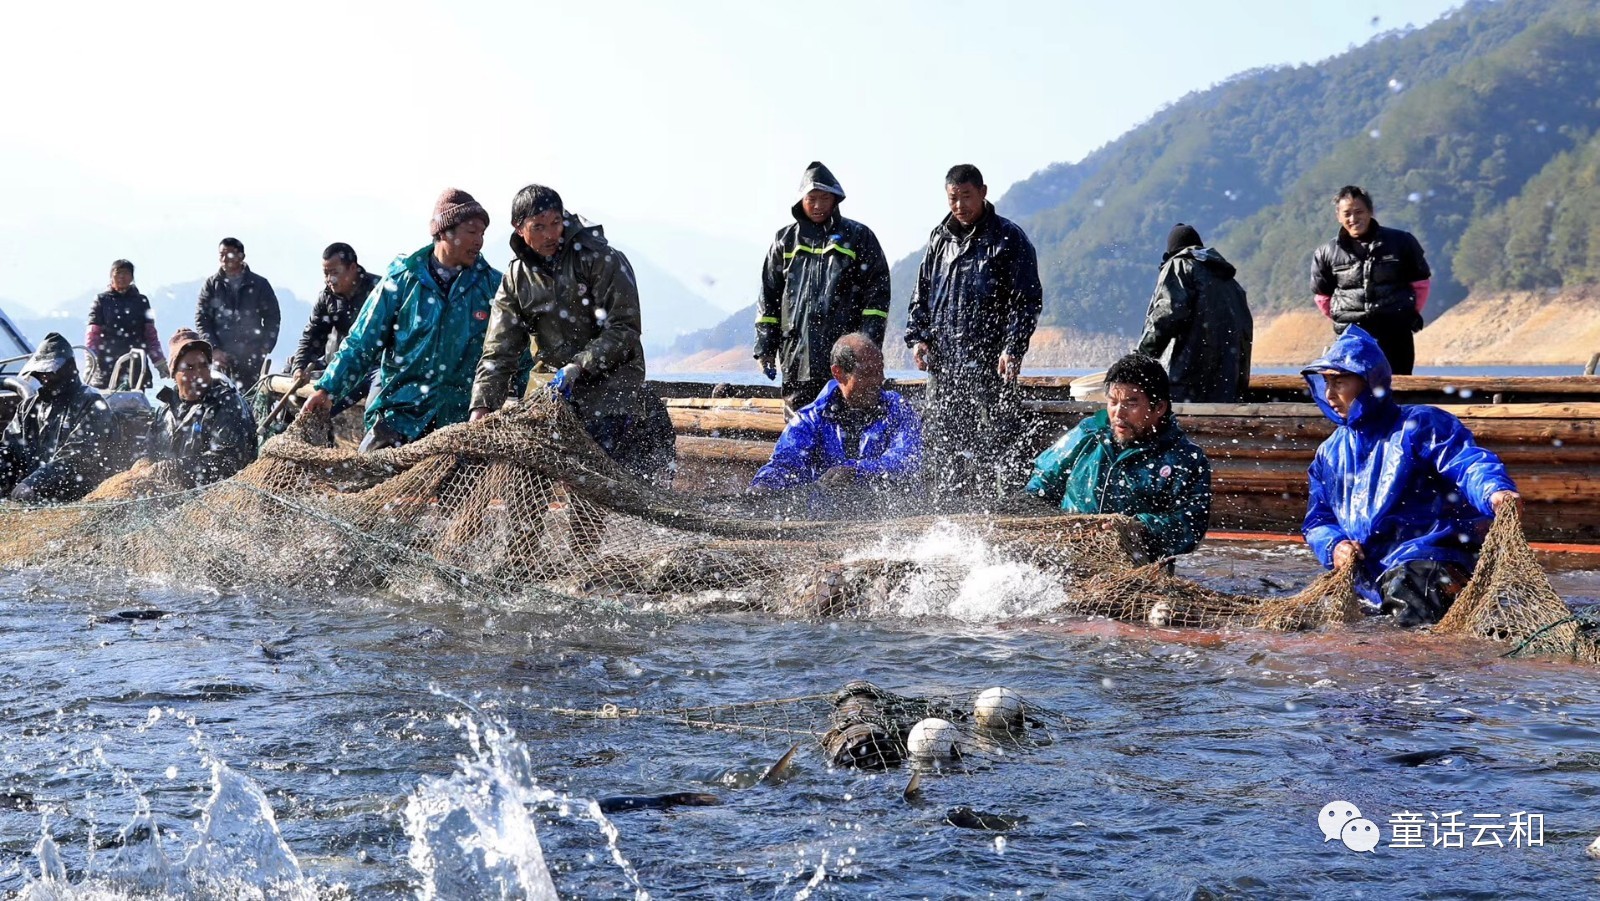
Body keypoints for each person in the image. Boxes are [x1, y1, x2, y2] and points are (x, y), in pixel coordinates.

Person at [1302, 325, 1519, 626]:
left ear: (1368, 381)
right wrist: (1334, 546)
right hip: (1370, 576)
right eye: (1325, 383)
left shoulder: (1421, 424)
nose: (1329, 394)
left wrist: (1494, 490)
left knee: (1408, 604)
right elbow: (1319, 520)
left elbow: (1466, 462)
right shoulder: (1329, 452)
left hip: (1431, 560)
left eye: (1339, 382)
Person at [470, 184, 674, 484]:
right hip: (549, 392)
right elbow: (498, 352)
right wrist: (482, 406)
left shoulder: (599, 258)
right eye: (538, 227)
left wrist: (580, 365)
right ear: (519, 229)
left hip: (610, 391)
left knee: (591, 491)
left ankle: (583, 530)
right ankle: (523, 531)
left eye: (555, 223)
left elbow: (624, 328)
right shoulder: (515, 278)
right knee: (524, 485)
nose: (550, 234)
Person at [302, 188, 523, 451]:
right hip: (400, 416)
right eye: (471, 232)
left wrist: (525, 399)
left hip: (462, 423)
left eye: (483, 234)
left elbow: (514, 350)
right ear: (443, 232)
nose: (479, 241)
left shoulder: (493, 286)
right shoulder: (402, 281)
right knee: (368, 485)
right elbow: (362, 342)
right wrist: (327, 389)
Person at [904, 164, 1043, 495]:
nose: (960, 205)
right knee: (942, 441)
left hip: (989, 363)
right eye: (953, 198)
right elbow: (921, 293)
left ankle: (998, 511)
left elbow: (1026, 301)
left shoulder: (1009, 238)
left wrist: (1013, 347)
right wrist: (918, 337)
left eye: (966, 196)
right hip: (945, 364)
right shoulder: (939, 238)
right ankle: (947, 511)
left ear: (983, 192)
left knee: (994, 439)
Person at [1025, 353, 1211, 559]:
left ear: (1159, 407)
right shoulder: (1088, 434)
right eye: (1113, 402)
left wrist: (1137, 529)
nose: (1119, 413)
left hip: (1135, 566)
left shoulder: (1184, 458)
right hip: (1069, 554)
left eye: (1131, 404)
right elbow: (1041, 484)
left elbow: (1190, 523)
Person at [753, 161, 892, 411]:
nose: (817, 206)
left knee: (844, 430)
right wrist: (764, 348)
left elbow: (877, 298)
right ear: (801, 201)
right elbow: (769, 298)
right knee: (799, 429)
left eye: (824, 198)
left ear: (835, 199)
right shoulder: (784, 241)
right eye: (811, 199)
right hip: (797, 358)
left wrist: (866, 348)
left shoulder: (858, 236)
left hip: (844, 363)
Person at [751, 333, 922, 492]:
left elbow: (907, 460)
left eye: (880, 371)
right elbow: (785, 464)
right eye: (868, 373)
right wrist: (763, 486)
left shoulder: (898, 409)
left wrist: (857, 472)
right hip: (825, 517)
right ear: (838, 373)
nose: (878, 380)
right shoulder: (809, 419)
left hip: (888, 514)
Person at [1310, 186, 1431, 376]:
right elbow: (1322, 296)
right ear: (1338, 216)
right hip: (1352, 337)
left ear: (1370, 212)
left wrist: (1405, 314)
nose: (1353, 219)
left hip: (1396, 334)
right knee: (1355, 390)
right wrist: (1342, 317)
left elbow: (1420, 284)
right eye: (1347, 213)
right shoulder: (1326, 252)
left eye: (1359, 212)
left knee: (1397, 389)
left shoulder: (1401, 242)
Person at [1136, 224, 1253, 403]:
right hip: (1225, 393)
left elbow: (1165, 316)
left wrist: (1138, 362)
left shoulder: (1180, 264)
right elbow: (1244, 338)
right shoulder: (1231, 283)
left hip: (1184, 387)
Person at [0, 333, 115, 503]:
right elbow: (8, 449)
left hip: (78, 499)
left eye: (50, 372)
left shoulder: (91, 403)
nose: (44, 377)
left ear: (69, 368)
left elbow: (78, 456)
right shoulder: (28, 407)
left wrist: (34, 483)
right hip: (32, 499)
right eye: (40, 372)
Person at [151, 329, 257, 485]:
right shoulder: (164, 409)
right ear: (174, 373)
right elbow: (148, 449)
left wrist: (173, 469)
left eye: (203, 366)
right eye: (189, 368)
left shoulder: (227, 404)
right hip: (170, 495)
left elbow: (228, 462)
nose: (198, 374)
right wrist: (144, 463)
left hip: (220, 498)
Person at [195, 237, 281, 385]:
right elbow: (202, 319)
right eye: (221, 254)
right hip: (221, 359)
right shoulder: (211, 285)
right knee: (220, 398)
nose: (224, 258)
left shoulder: (259, 284)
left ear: (241, 256)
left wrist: (265, 346)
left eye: (229, 254)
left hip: (252, 358)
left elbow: (273, 317)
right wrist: (213, 349)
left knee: (249, 400)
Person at [289, 243, 380, 379]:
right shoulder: (327, 296)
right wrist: (300, 367)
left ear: (353, 268)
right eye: (326, 274)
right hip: (335, 367)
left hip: (374, 368)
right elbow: (312, 335)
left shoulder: (379, 292)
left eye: (334, 273)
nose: (329, 280)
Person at [86, 259, 168, 388]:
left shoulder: (141, 301)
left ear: (132, 277)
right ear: (111, 276)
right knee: (105, 403)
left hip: (135, 363)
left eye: (126, 273)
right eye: (118, 273)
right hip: (106, 364)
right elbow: (93, 335)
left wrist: (160, 363)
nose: (122, 277)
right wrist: (91, 363)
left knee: (134, 403)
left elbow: (150, 335)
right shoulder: (102, 300)